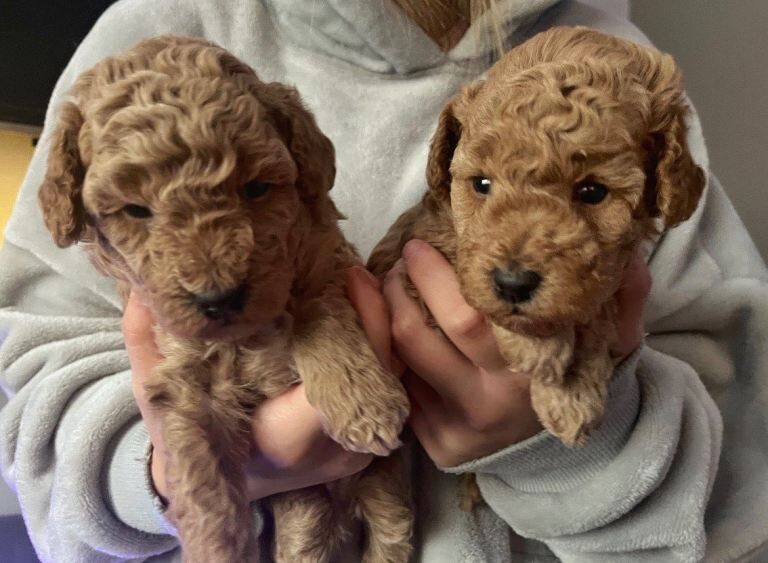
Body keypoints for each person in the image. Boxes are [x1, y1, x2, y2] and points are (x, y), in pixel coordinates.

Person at [1, 0, 766, 561]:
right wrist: (168, 472)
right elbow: (34, 356)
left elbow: (744, 455)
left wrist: (570, 450)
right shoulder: (165, 26)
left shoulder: (620, 70)